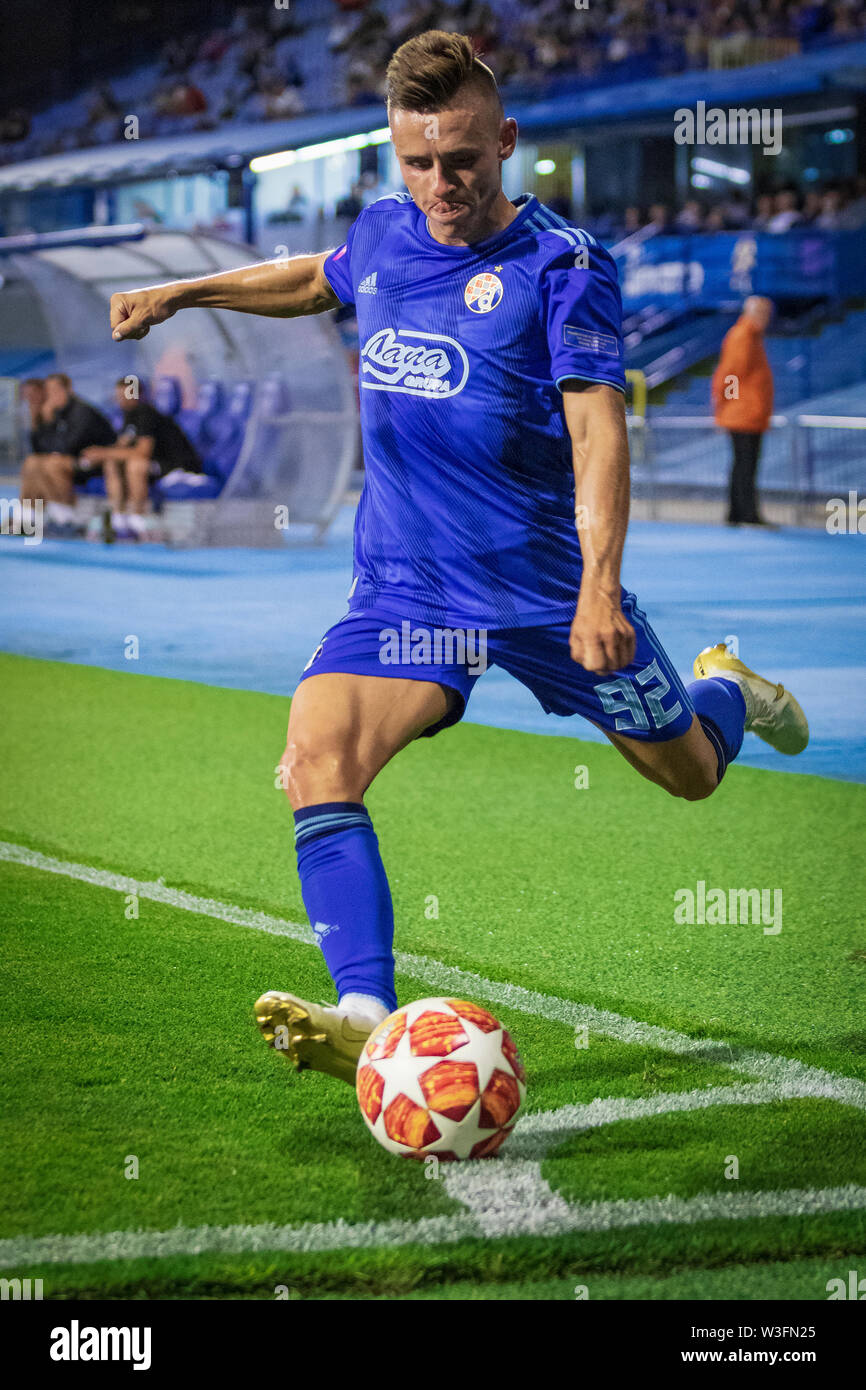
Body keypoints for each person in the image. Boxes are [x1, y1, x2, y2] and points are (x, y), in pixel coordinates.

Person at [109, 31, 809, 1086]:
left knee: (688, 774)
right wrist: (183, 292)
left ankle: (724, 688)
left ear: (507, 142)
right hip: (408, 587)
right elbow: (315, 281)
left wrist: (599, 588)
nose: (441, 184)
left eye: (464, 160)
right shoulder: (386, 233)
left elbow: (596, 434)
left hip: (544, 590)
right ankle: (363, 1012)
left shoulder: (561, 265)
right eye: (418, 162)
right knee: (314, 758)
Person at [79, 379, 203, 540]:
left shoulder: (146, 413)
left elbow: (142, 452)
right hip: (155, 465)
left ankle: (138, 516)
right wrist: (99, 455)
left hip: (176, 466)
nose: (120, 399)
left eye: (124, 394)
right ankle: (118, 516)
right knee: (111, 462)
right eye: (118, 395)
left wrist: (103, 453)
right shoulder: (130, 416)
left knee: (136, 464)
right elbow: (120, 448)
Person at [712, 296, 776, 527]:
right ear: (751, 312)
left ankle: (738, 513)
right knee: (745, 465)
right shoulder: (742, 336)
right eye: (762, 313)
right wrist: (725, 409)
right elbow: (730, 374)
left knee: (743, 465)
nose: (766, 319)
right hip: (742, 415)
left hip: (748, 414)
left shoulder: (751, 337)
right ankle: (746, 514)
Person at [33, 374, 116, 534]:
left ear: (68, 389)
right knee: (33, 463)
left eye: (56, 390)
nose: (52, 395)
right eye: (49, 391)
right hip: (76, 461)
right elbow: (40, 450)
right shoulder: (58, 413)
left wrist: (49, 421)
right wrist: (44, 421)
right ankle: (31, 515)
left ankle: (67, 516)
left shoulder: (82, 412)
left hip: (99, 463)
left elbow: (69, 447)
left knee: (52, 463)